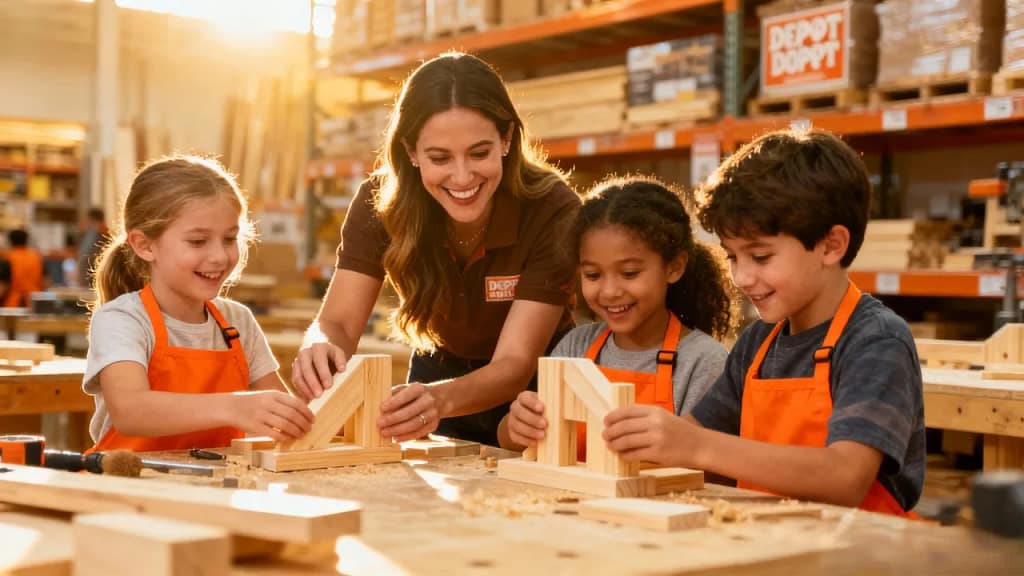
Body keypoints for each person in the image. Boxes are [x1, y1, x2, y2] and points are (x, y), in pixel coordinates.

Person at [602, 129, 925, 516]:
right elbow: (691, 435)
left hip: (860, 544)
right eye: (732, 257)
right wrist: (633, 437)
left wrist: (695, 446)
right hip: (767, 537)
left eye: (760, 257)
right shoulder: (758, 344)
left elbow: (846, 477)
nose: (741, 277)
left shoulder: (876, 340)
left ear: (831, 245)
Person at [293, 52, 580, 447]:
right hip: (437, 376)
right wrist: (319, 345)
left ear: (507, 139)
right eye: (440, 158)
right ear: (411, 151)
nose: (462, 177)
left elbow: (514, 362)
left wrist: (438, 400)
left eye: (479, 153)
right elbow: (338, 323)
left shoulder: (553, 209)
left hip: (531, 399)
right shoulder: (379, 203)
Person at [82, 155, 313, 452]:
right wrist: (234, 407)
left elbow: (280, 417)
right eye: (197, 241)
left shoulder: (238, 322)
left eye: (229, 239)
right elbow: (130, 411)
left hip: (219, 480)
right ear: (144, 245)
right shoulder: (121, 320)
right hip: (126, 479)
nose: (219, 256)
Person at [497, 176, 735, 456]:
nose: (610, 291)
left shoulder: (703, 362)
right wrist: (517, 426)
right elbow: (511, 439)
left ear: (674, 267)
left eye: (629, 273)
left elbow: (714, 467)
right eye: (593, 275)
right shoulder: (575, 347)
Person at [0, 229, 46, 307]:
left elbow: (2, 286)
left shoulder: (7, 258)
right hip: (34, 303)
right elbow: (45, 282)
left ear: (10, 241)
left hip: (12, 304)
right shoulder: (36, 258)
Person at [77, 207, 108, 287]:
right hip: (89, 279)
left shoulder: (99, 234)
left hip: (93, 279)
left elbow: (87, 256)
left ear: (91, 219)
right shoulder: (91, 234)